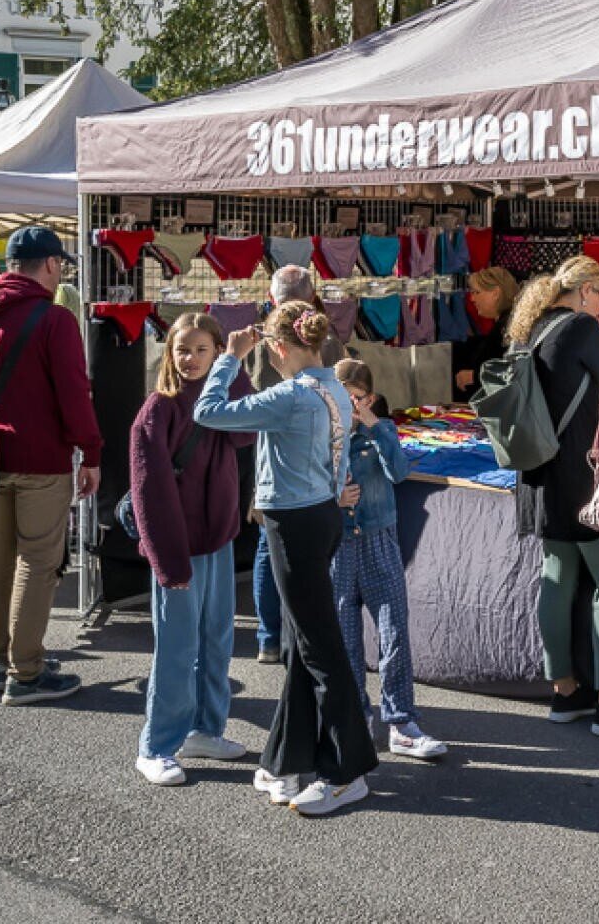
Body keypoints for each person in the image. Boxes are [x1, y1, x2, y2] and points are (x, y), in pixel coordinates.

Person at [195, 300, 377, 816]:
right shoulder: (336, 386)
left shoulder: (292, 395)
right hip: (319, 516)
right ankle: (286, 758)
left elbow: (207, 413)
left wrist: (229, 359)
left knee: (319, 649)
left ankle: (348, 772)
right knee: (304, 645)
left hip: (295, 521)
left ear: (276, 346)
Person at [508, 256, 599, 737]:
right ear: (589, 289)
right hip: (583, 477)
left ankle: (564, 692)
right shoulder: (582, 330)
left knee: (556, 578)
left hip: (537, 478)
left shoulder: (530, 331)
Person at [0, 227, 102, 706]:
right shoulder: (55, 319)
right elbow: (74, 393)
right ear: (52, 265)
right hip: (40, 458)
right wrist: (91, 452)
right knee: (37, 562)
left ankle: (5, 660)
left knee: (1, 558)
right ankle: (26, 671)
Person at [129, 313, 256, 787]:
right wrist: (167, 561)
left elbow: (247, 431)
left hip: (217, 541)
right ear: (170, 352)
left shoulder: (218, 399)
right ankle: (156, 746)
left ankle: (206, 729)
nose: (191, 359)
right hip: (178, 548)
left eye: (203, 350)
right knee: (177, 650)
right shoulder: (157, 410)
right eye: (184, 349)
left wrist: (234, 365)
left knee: (218, 642)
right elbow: (149, 492)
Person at [330, 359, 446, 760]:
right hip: (340, 546)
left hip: (379, 539)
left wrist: (375, 427)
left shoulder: (384, 431)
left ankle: (400, 722)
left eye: (356, 400)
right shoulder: (325, 436)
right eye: (340, 402)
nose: (349, 409)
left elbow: (399, 473)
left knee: (394, 630)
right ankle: (355, 718)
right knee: (344, 639)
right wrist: (335, 498)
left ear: (370, 399)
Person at [245, 264, 346, 665]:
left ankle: (274, 637)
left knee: (272, 547)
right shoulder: (325, 336)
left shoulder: (270, 337)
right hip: (313, 459)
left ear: (272, 296)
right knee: (296, 554)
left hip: (279, 452)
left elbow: (250, 392)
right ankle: (287, 637)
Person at [452, 266, 518, 401]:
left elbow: (510, 370)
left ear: (495, 293)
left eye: (477, 292)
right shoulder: (507, 323)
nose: (472, 299)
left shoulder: (506, 328)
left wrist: (475, 376)